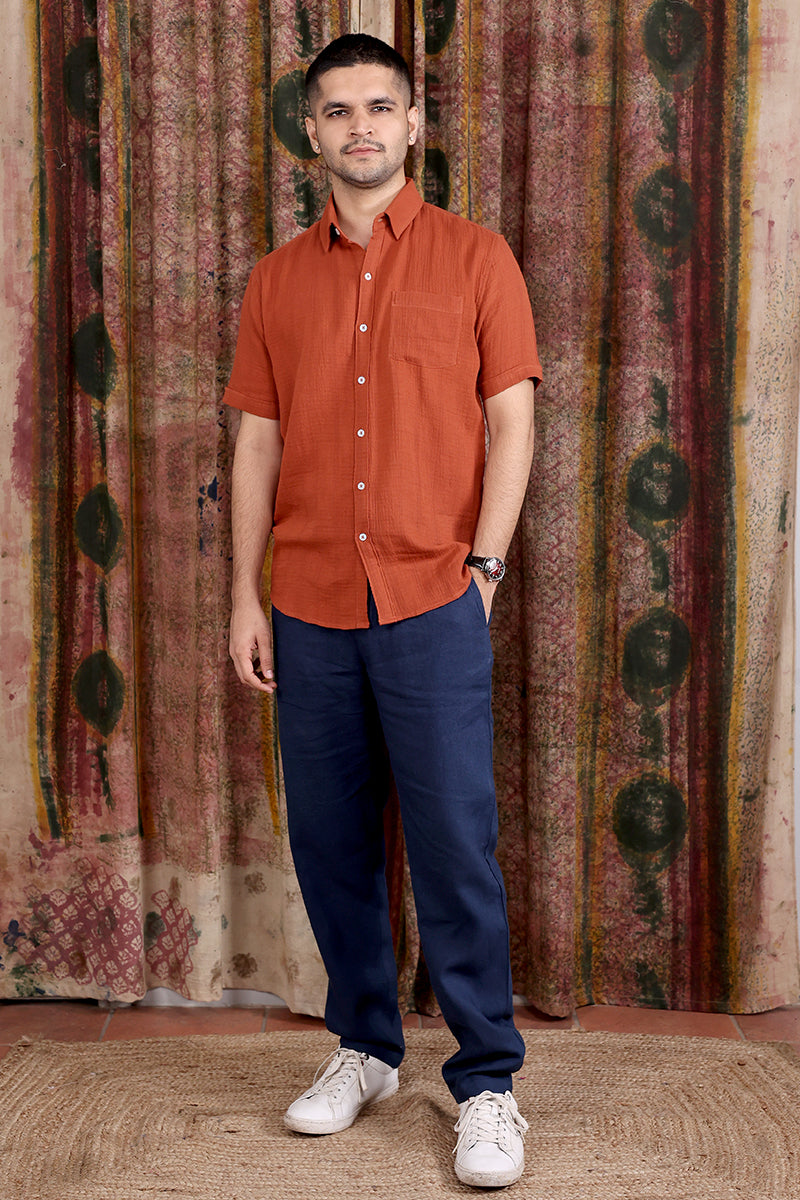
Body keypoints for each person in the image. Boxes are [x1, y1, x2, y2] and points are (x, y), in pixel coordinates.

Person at [225, 33, 542, 1190]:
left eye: (378, 107)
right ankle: (364, 1048)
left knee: (454, 843)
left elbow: (510, 421)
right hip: (308, 603)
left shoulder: (476, 258)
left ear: (412, 124)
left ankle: (486, 1081)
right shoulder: (276, 280)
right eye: (336, 110)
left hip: (431, 596)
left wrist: (484, 570)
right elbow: (257, 445)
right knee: (331, 843)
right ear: (309, 132)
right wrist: (244, 595)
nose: (358, 126)